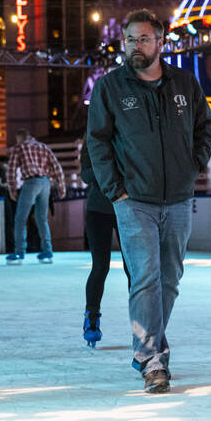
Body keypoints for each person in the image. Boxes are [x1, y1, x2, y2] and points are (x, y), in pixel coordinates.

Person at [86, 9, 211, 393]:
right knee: (145, 277)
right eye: (129, 39)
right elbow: (97, 141)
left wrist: (192, 166)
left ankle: (148, 347)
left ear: (161, 43)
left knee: (170, 279)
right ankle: (152, 360)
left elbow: (205, 127)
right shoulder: (110, 87)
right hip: (133, 201)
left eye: (143, 39)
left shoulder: (184, 84)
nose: (135, 46)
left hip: (178, 198)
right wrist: (115, 189)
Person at [79, 140, 130, 347]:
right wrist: (109, 168)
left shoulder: (127, 131)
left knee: (133, 269)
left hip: (127, 208)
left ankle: (143, 322)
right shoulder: (91, 140)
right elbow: (86, 175)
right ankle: (91, 319)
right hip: (98, 210)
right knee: (100, 267)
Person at [5, 129, 64, 265]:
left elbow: (11, 169)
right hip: (45, 182)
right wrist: (61, 187)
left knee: (20, 218)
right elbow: (56, 166)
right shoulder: (43, 147)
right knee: (41, 218)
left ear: (20, 138)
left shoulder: (19, 147)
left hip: (30, 182)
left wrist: (12, 189)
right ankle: (48, 250)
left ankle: (19, 252)